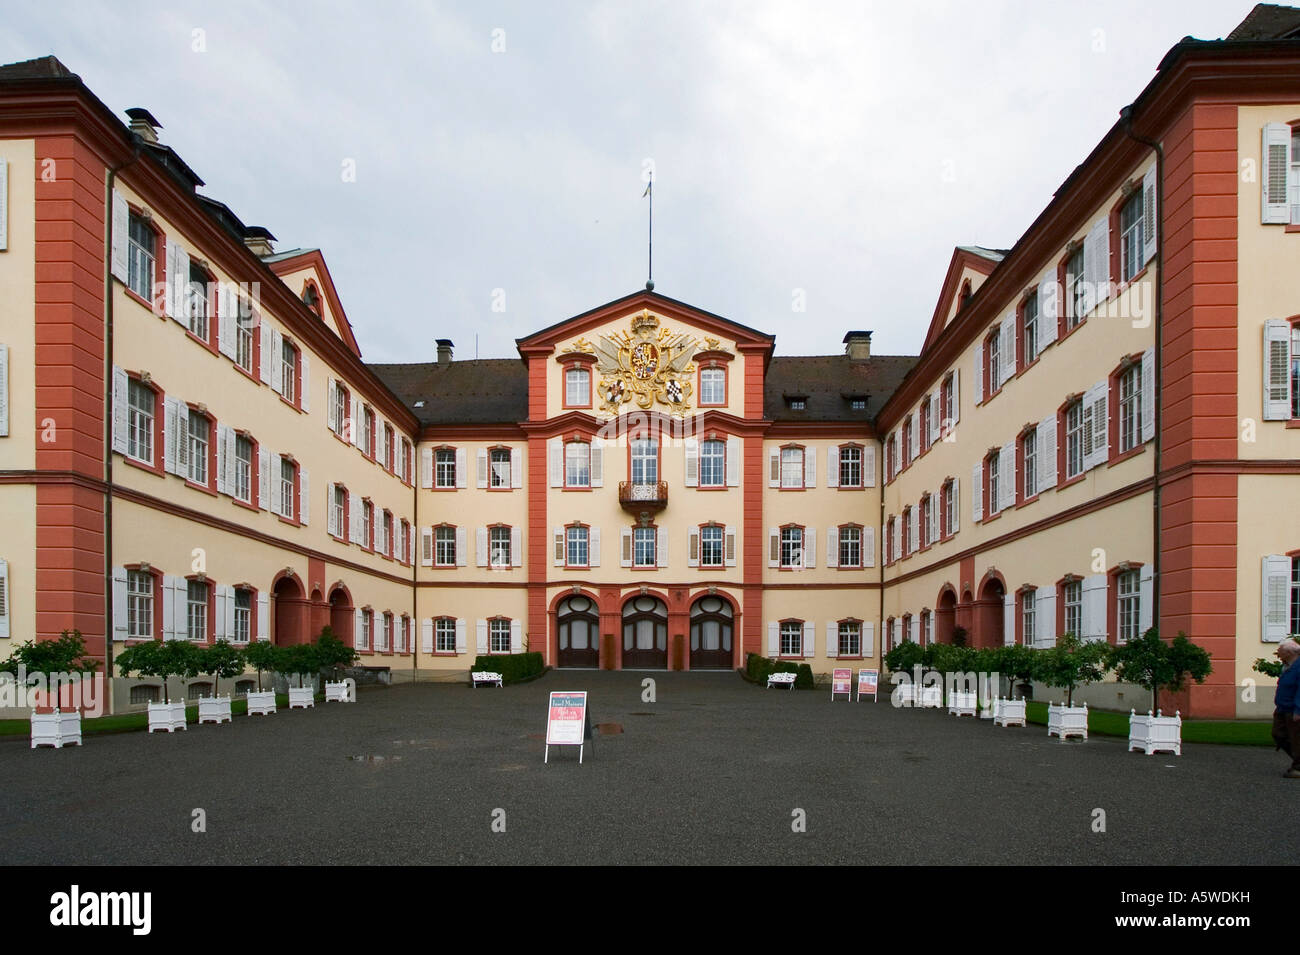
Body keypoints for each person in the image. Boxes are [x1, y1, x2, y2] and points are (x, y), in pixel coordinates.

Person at [1272, 638, 1300, 779]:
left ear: (1289, 652)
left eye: (1280, 651)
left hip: (1292, 709)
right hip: (1283, 707)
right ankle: (1297, 761)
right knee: (1279, 734)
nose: (1278, 653)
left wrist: (1298, 710)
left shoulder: (1298, 667)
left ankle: (1298, 766)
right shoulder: (1287, 665)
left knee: (1296, 738)